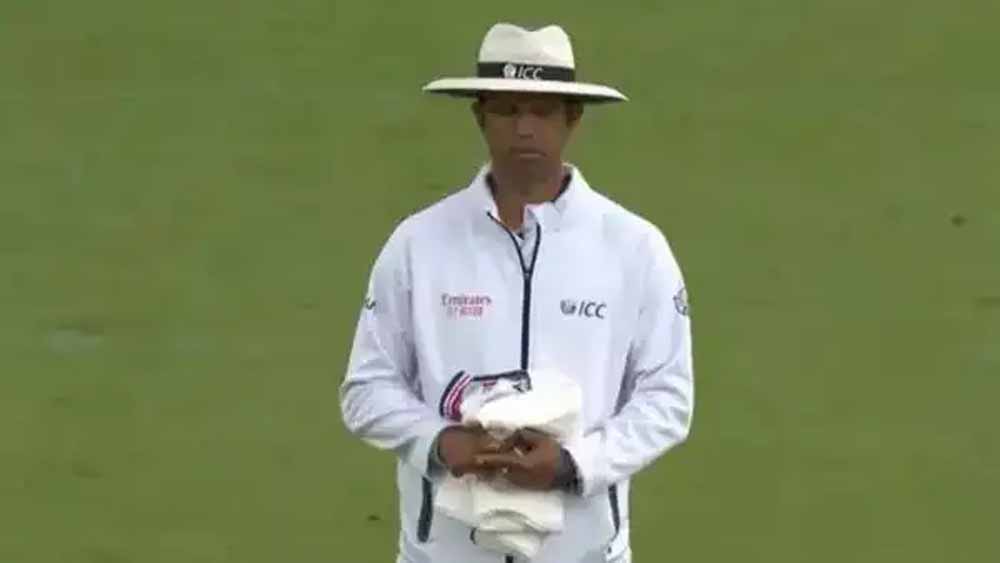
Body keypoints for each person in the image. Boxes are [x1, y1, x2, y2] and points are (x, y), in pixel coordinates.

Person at [341, 22, 695, 563]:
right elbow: (367, 388)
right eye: (507, 110)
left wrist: (574, 464)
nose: (524, 129)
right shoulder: (418, 243)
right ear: (479, 115)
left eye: (542, 111)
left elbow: (667, 399)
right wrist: (439, 442)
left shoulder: (635, 248)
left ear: (572, 119)